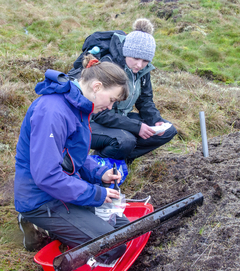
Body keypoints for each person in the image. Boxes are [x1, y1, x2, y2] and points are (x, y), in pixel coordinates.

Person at [14, 55, 131, 265]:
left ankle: (69, 228)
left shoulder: (77, 106)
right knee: (113, 246)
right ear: (97, 86)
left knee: (124, 228)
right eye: (112, 100)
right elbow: (47, 176)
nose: (111, 107)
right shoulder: (52, 112)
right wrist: (95, 193)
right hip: (40, 199)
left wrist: (98, 173)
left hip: (63, 190)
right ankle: (36, 222)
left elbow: (71, 156)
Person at [69, 19, 177, 164]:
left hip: (120, 116)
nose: (140, 65)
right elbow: (100, 112)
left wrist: (156, 120)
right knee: (126, 140)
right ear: (127, 52)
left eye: (145, 60)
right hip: (92, 120)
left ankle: (121, 157)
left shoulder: (142, 70)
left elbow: (145, 100)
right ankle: (98, 164)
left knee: (168, 131)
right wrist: (136, 127)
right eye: (136, 58)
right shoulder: (109, 67)